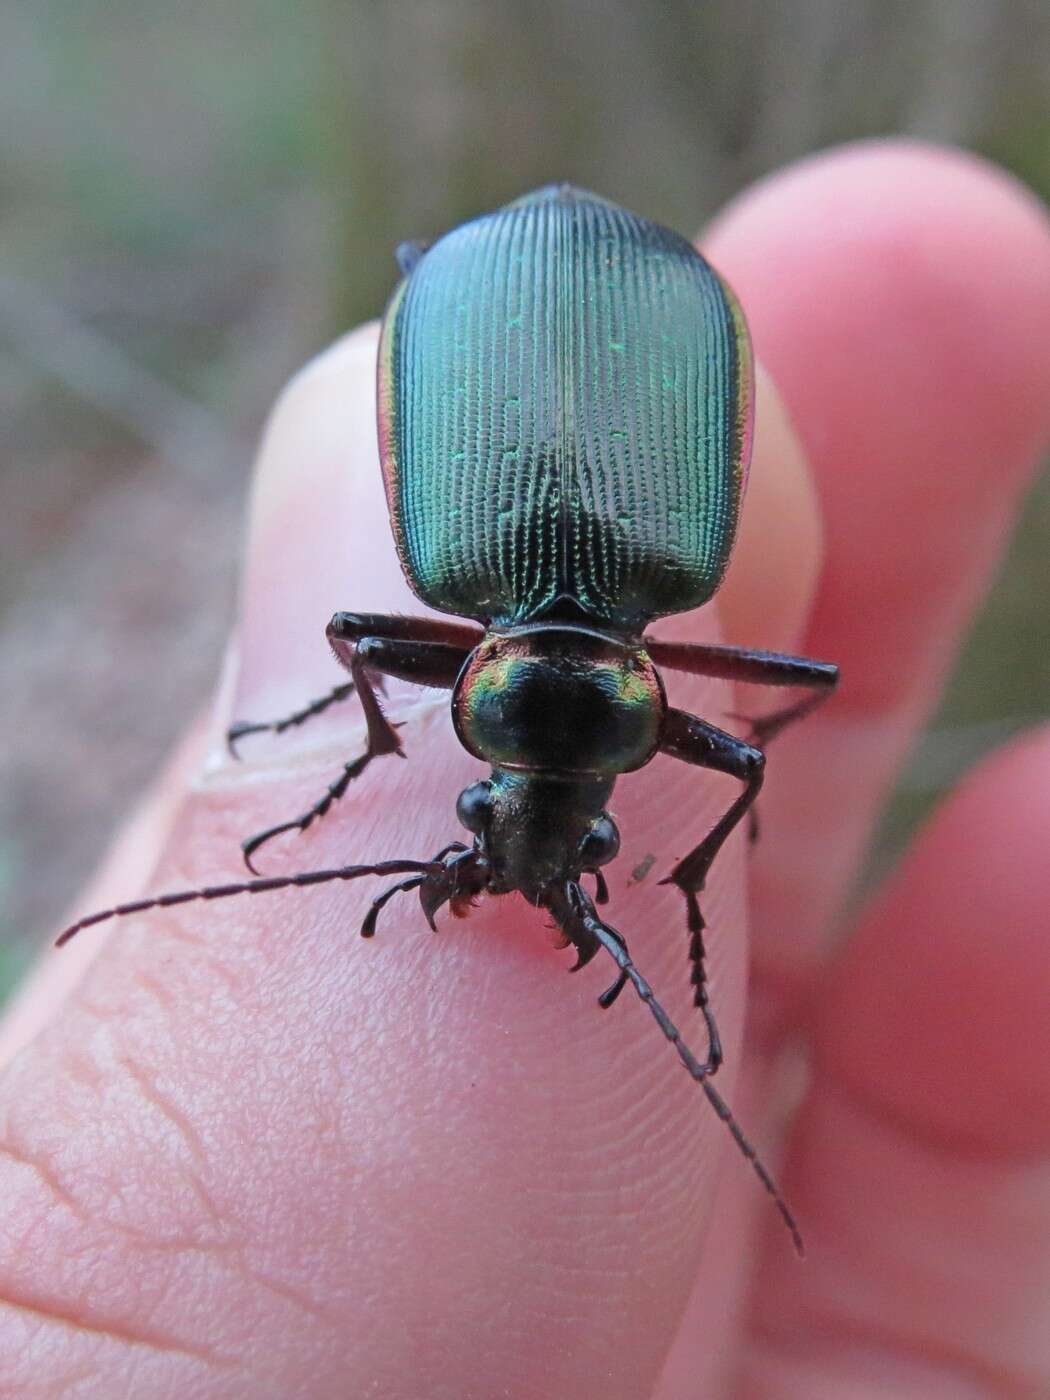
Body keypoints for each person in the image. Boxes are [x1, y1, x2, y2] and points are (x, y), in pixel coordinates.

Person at [1, 141, 1048, 1398]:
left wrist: (356, 757)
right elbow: (729, 751)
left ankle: (366, 768)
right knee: (755, 744)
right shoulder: (597, 591)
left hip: (497, 287)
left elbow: (360, 641)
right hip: (564, 291)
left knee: (749, 735)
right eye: (583, 835)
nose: (541, 839)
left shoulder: (485, 587)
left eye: (490, 802)